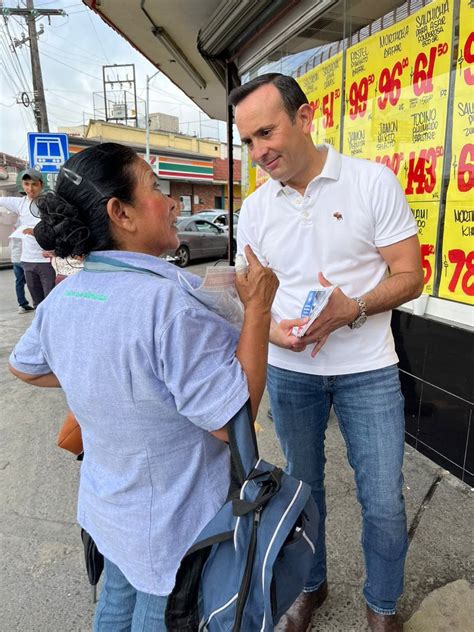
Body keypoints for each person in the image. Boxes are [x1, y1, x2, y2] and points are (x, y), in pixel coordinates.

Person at [8, 142, 279, 631]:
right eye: (156, 189)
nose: (173, 202)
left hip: (108, 504)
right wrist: (257, 309)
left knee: (113, 603)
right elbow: (232, 422)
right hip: (170, 523)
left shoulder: (67, 294)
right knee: (156, 611)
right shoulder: (168, 307)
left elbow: (24, 367)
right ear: (121, 213)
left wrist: (102, 378)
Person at [230, 73, 424, 632]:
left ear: (305, 117)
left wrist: (353, 308)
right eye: (247, 141)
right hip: (291, 374)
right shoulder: (257, 208)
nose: (259, 151)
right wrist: (273, 334)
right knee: (301, 492)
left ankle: (382, 606)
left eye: (266, 131)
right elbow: (254, 301)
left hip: (368, 370)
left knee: (384, 501)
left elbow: (411, 276)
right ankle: (309, 586)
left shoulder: (370, 182)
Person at [0, 169, 56, 307]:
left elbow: (58, 228)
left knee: (50, 303)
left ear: (41, 185)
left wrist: (35, 232)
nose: (30, 188)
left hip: (47, 261)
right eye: (26, 184)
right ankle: (40, 328)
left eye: (34, 184)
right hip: (27, 261)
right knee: (37, 303)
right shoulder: (20, 203)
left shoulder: (50, 203)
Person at [9, 233, 34, 313]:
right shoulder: (24, 234)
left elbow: (10, 247)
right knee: (33, 281)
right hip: (24, 259)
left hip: (15, 259)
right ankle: (37, 302)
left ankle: (22, 305)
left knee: (19, 282)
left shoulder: (13, 235)